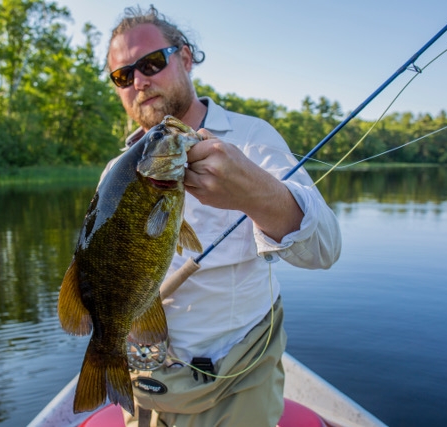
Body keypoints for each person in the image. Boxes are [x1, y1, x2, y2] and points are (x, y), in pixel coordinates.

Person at [103, 5, 342, 427]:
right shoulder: (116, 172)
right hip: (144, 379)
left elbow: (324, 250)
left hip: (236, 378)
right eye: (123, 76)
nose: (139, 81)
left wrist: (253, 190)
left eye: (151, 63)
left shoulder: (251, 138)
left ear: (186, 58)